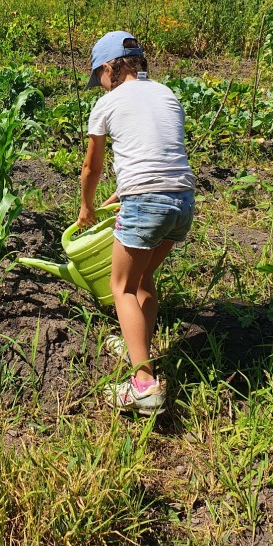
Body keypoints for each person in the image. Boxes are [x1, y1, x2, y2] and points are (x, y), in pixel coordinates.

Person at [77, 31, 195, 414]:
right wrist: (127, 191)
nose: (101, 86)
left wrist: (87, 207)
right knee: (144, 280)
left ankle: (143, 384)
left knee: (121, 287)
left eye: (100, 77)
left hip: (147, 203)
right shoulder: (166, 94)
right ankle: (139, 347)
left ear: (111, 68)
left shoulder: (108, 104)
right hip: (182, 202)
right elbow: (157, 152)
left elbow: (91, 167)